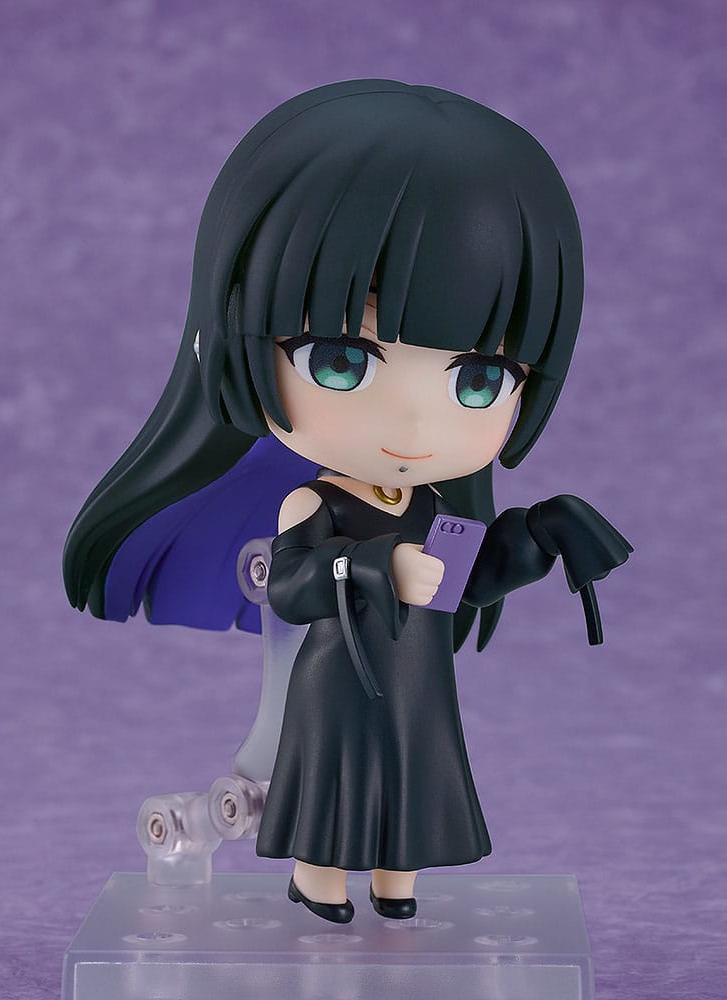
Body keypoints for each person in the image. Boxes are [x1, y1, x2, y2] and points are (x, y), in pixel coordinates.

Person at [63, 79, 631, 924]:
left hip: (416, 683)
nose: (413, 425)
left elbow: (464, 581)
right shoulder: (310, 505)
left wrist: (537, 537)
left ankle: (398, 883)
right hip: (337, 681)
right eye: (343, 361)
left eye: (479, 379)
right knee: (333, 781)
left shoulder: (431, 505)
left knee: (414, 778)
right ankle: (319, 879)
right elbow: (294, 585)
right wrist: (373, 567)